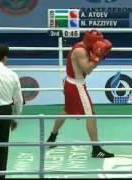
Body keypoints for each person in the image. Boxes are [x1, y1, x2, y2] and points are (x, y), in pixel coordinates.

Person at [46, 30, 114, 158]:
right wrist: (98, 57)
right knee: (91, 116)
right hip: (76, 85)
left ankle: (52, 137)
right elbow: (87, 69)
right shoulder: (80, 51)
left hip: (72, 83)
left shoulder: (83, 47)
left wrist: (98, 56)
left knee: (66, 111)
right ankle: (96, 149)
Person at [0, 43, 23, 178]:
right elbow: (18, 100)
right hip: (4, 112)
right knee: (2, 147)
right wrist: (16, 119)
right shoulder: (12, 74)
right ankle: (0, 176)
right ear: (5, 57)